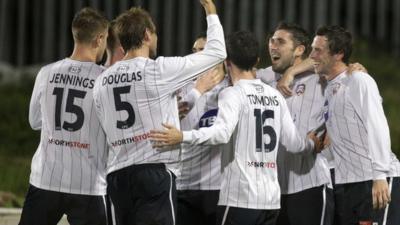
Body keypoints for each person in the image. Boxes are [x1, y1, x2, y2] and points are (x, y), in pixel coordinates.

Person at [150, 30, 323, 225]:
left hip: (240, 198)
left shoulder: (232, 93)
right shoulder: (275, 95)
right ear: (257, 60)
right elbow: (294, 144)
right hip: (270, 200)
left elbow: (222, 133)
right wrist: (311, 144)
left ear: (227, 61)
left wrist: (182, 136)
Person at [92, 0, 226, 224]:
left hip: (117, 175)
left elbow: (106, 125)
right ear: (146, 35)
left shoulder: (102, 80)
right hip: (153, 171)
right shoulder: (158, 69)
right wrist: (210, 11)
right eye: (154, 33)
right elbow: (217, 52)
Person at [20, 8, 109, 225]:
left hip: (46, 179)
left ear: (75, 34)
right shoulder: (104, 79)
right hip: (88, 183)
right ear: (99, 39)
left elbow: (34, 121)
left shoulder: (46, 72)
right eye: (106, 38)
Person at [310, 25, 400, 225]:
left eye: (318, 50)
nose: (312, 55)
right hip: (348, 183)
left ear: (339, 54)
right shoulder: (329, 88)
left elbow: (378, 127)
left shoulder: (358, 80)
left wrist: (379, 175)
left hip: (373, 180)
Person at [256, 22, 334, 225]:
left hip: (310, 184)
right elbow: (236, 68)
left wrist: (292, 73)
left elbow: (336, 60)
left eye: (280, 41)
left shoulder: (320, 77)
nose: (273, 45)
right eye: (271, 41)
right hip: (275, 190)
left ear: (299, 49)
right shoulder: (265, 77)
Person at [175, 34, 227, 225]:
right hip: (184, 183)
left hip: (217, 186)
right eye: (194, 50)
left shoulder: (232, 87)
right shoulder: (181, 87)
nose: (196, 55)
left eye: (202, 50)